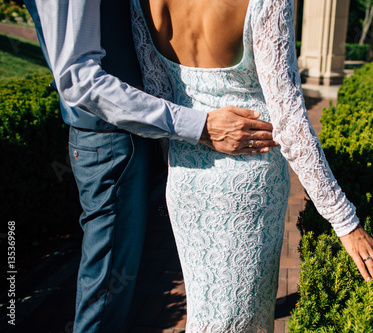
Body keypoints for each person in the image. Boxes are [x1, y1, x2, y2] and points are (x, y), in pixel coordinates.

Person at [131, 0, 373, 331]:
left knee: (208, 310)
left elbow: (158, 93)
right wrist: (345, 221)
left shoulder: (140, 2)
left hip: (187, 177)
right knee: (239, 316)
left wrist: (185, 153)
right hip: (250, 179)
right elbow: (290, 120)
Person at [23, 0, 277, 332]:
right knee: (106, 295)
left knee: (120, 287)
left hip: (133, 135)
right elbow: (78, 78)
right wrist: (199, 126)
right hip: (111, 141)